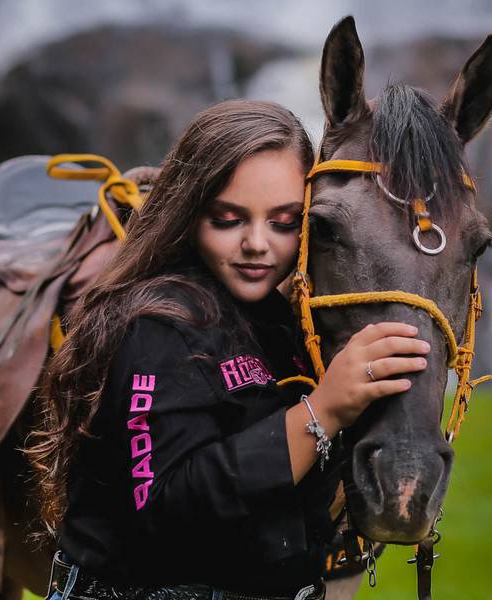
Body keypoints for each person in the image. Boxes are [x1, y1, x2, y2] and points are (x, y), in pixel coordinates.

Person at [26, 99, 430, 600]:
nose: (257, 244)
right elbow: (164, 507)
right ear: (188, 212)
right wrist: (322, 412)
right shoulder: (154, 326)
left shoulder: (285, 325)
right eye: (228, 219)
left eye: (284, 222)